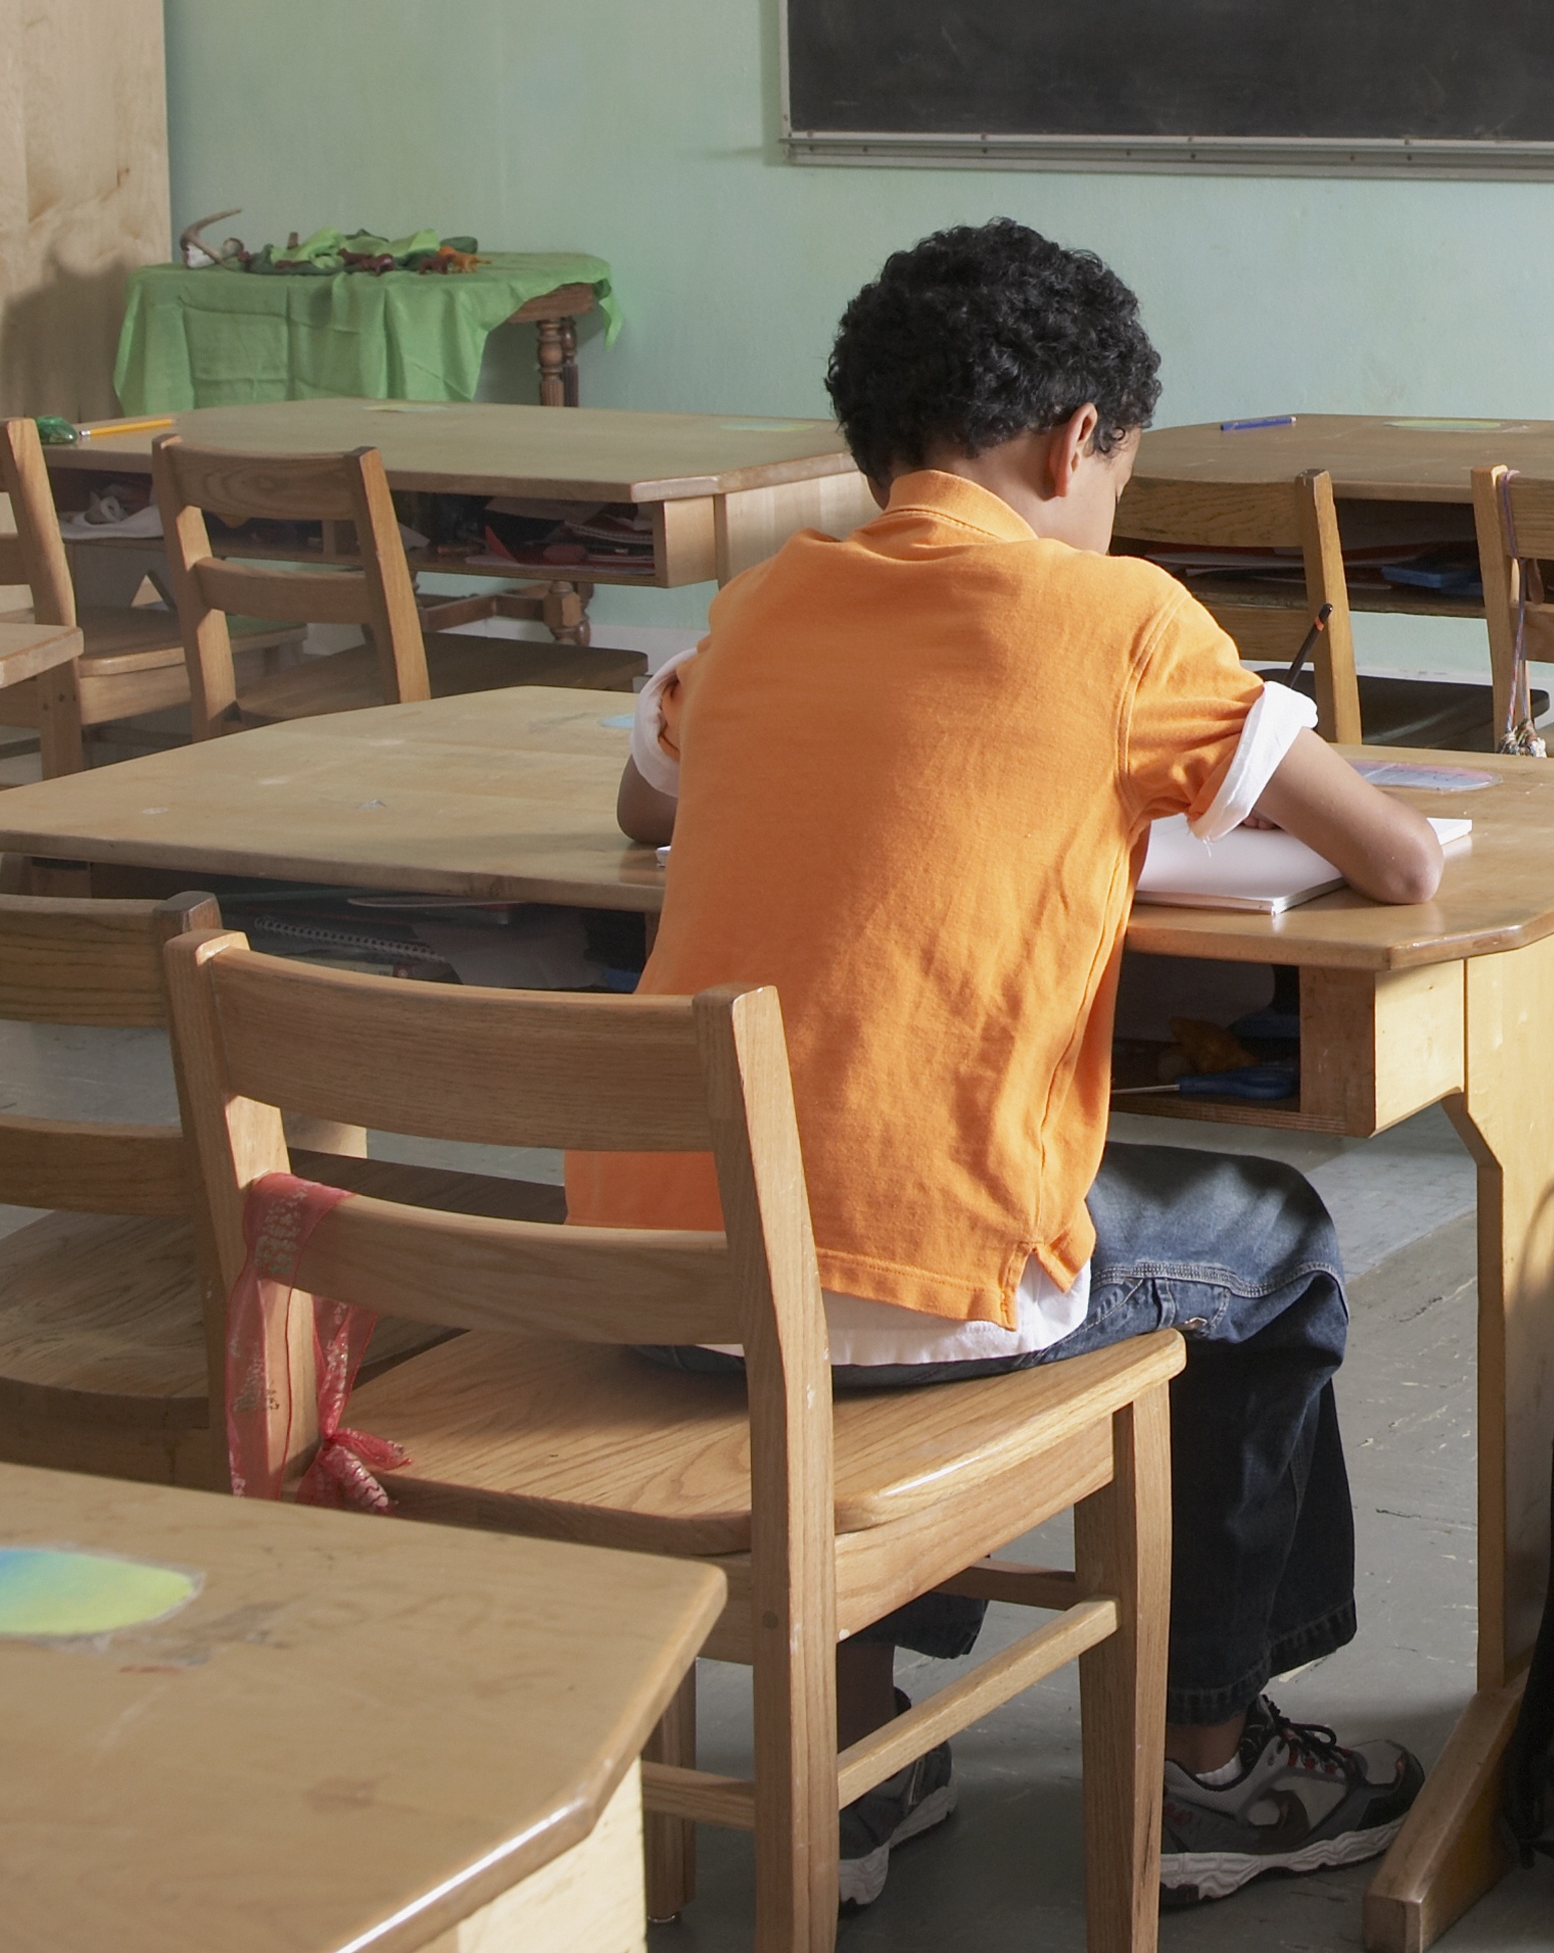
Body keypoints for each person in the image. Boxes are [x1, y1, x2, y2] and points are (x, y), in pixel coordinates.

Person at [571, 218, 1447, 1910]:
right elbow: (1398, 859)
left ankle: (855, 1759)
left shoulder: (760, 606)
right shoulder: (1123, 619)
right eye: (1120, 464)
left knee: (855, 1160)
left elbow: (641, 805)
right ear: (1074, 441)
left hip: (654, 1267)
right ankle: (1214, 1760)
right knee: (1271, 1245)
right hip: (908, 1289)